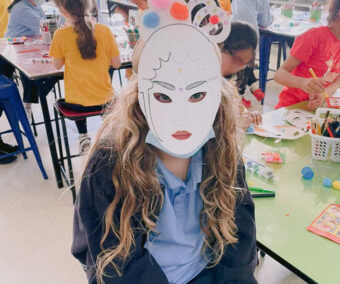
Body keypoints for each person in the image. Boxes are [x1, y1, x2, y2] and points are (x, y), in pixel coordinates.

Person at [71, 1, 257, 283]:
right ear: (141, 93)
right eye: (163, 96)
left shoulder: (221, 147)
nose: (181, 117)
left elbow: (239, 239)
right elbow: (116, 263)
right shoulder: (110, 162)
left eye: (196, 96)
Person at [49, 0, 121, 154]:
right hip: (104, 102)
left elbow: (56, 65)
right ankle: (108, 132)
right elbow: (116, 64)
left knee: (76, 95)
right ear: (90, 7)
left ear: (63, 12)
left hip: (76, 106)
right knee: (112, 96)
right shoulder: (104, 31)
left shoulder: (61, 35)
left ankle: (83, 135)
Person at [274, 0, 340, 109]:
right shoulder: (313, 37)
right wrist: (303, 83)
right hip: (291, 106)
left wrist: (322, 96)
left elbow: (336, 82)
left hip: (315, 109)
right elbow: (279, 75)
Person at [4, 0, 46, 118]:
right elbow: (44, 27)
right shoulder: (21, 8)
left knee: (34, 70)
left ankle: (28, 104)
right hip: (12, 50)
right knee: (30, 70)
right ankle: (27, 106)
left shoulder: (36, 7)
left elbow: (44, 29)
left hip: (28, 49)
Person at [220, 21, 262, 127]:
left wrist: (248, 115)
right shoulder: (204, 83)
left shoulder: (229, 81)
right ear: (221, 47)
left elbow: (237, 109)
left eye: (244, 63)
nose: (239, 68)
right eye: (238, 60)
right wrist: (236, 124)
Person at [231, 0, 273, 100]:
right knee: (246, 67)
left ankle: (253, 88)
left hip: (232, 29)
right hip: (249, 34)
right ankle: (240, 97)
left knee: (240, 67)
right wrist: (271, 18)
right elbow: (265, 22)